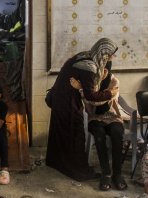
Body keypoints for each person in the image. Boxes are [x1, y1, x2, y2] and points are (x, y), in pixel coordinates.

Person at [46, 38, 119, 181]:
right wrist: (110, 93)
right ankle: (79, 171)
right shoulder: (89, 67)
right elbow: (91, 95)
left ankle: (57, 162)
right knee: (76, 133)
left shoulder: (86, 56)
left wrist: (92, 82)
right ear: (103, 53)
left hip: (59, 98)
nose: (112, 58)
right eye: (111, 55)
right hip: (67, 102)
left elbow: (88, 86)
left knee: (61, 132)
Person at [70, 61, 127, 191]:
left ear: (108, 71)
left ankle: (117, 174)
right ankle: (106, 173)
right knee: (99, 135)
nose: (102, 73)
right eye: (100, 70)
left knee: (117, 134)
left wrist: (81, 89)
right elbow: (90, 100)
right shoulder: (90, 81)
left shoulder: (114, 82)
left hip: (112, 116)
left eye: (105, 70)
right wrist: (83, 89)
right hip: (94, 117)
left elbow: (98, 100)